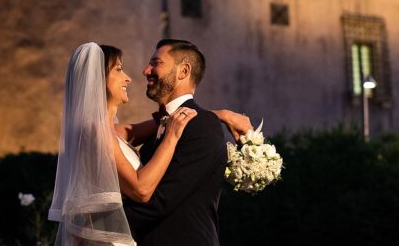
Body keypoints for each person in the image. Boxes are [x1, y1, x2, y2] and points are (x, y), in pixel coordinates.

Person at [48, 42, 250, 245]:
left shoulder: (115, 131)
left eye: (156, 63)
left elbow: (167, 122)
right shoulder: (95, 131)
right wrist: (171, 136)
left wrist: (221, 115)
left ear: (184, 71)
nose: (132, 76)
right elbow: (142, 191)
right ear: (97, 80)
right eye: (118, 69)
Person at [123, 39, 225, 245]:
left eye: (156, 63)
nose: (145, 70)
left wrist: (100, 224)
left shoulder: (203, 126)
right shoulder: (161, 127)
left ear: (183, 71)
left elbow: (161, 201)